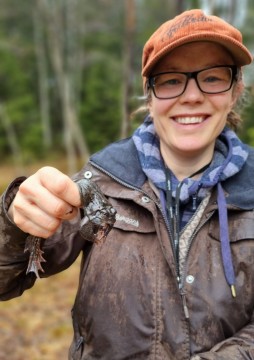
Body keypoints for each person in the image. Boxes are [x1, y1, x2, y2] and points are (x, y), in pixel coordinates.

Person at [0, 8, 254, 360]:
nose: (192, 95)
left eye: (212, 78)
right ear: (149, 95)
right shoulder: (103, 180)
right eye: (171, 79)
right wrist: (13, 225)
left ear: (236, 88)